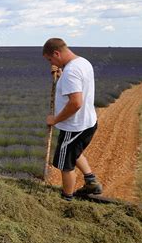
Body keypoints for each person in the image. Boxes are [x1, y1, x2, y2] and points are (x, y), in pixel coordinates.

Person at [43, 38, 103, 201]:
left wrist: (54, 120)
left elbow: (76, 103)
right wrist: (60, 74)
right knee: (74, 152)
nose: (51, 63)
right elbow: (76, 83)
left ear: (56, 53)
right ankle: (91, 181)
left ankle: (67, 199)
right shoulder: (82, 62)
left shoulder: (71, 72)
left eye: (50, 59)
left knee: (65, 163)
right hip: (88, 122)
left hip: (74, 126)